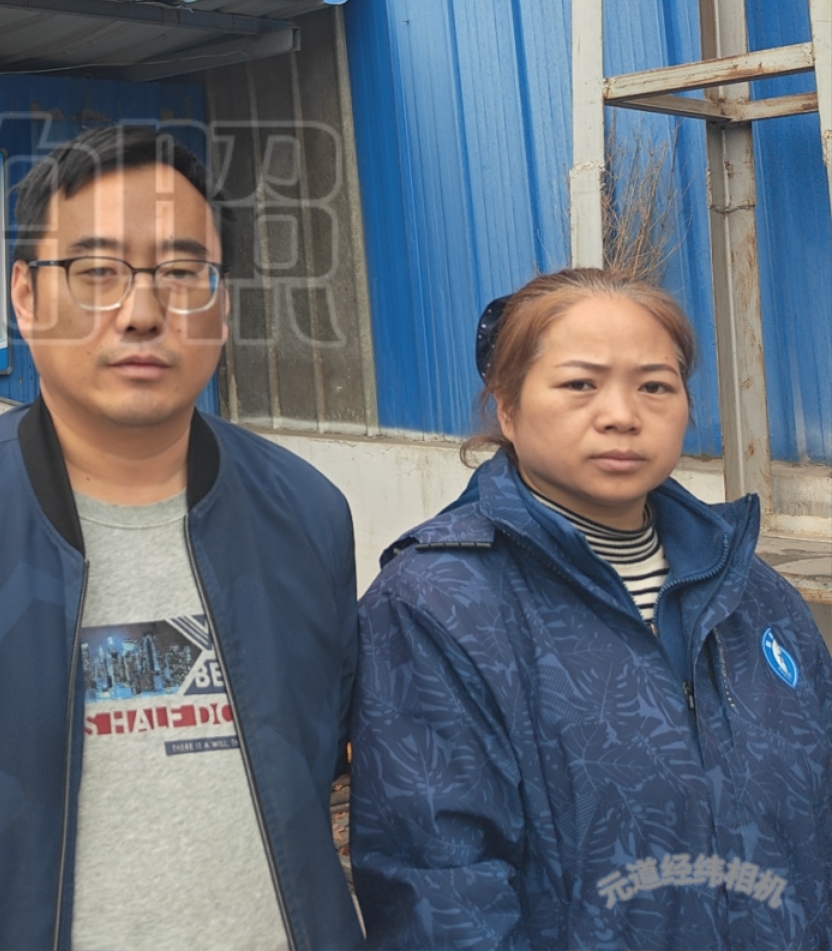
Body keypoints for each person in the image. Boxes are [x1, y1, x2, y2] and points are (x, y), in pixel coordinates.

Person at [0, 125, 363, 951]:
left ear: (223, 301)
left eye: (182, 272)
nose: (143, 313)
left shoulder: (306, 515)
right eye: (96, 273)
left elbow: (317, 758)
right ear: (25, 297)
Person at [352, 267, 831, 950]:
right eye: (580, 384)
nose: (622, 415)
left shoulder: (750, 592)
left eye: (655, 386)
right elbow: (442, 891)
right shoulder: (439, 604)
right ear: (507, 408)